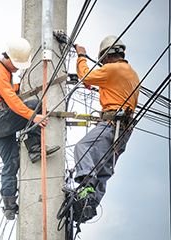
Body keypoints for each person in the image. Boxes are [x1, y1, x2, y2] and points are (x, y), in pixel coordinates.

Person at [0, 37, 60, 220]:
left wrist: (17, 87)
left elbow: (6, 92)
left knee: (11, 162)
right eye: (16, 64)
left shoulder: (2, 72)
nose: (17, 68)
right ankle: (34, 147)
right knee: (34, 104)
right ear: (8, 58)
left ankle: (9, 205)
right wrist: (33, 116)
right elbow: (12, 101)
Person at [73, 35, 139, 222]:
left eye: (102, 60)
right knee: (104, 167)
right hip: (124, 131)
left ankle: (86, 188)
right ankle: (89, 206)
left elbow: (85, 75)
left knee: (83, 148)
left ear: (107, 55)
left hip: (111, 124)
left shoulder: (112, 69)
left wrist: (81, 56)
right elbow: (99, 84)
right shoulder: (130, 73)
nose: (102, 64)